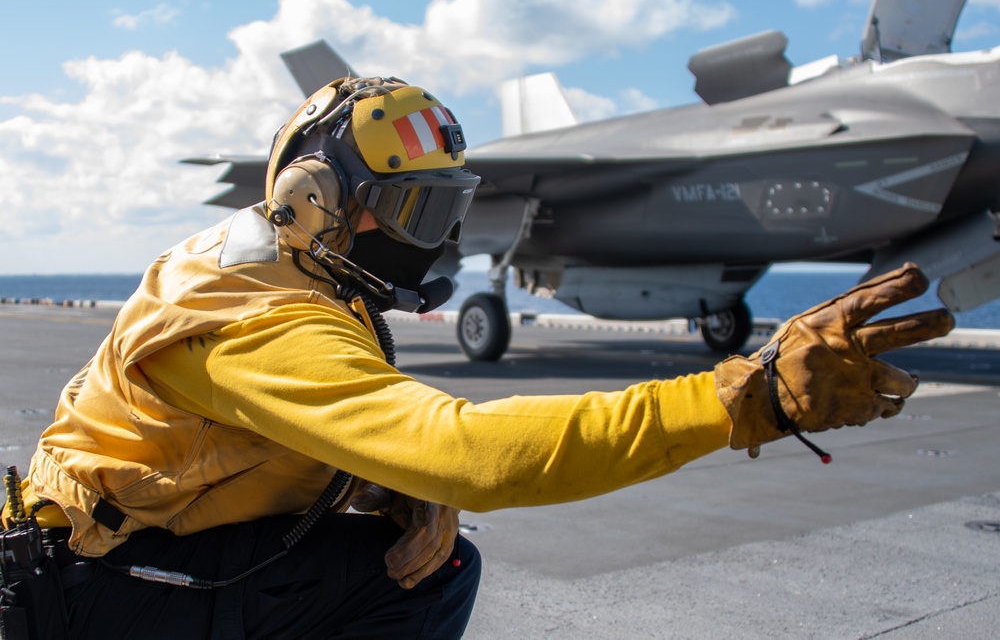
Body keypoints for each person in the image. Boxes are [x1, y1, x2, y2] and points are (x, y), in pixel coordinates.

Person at [1, 76, 954, 639]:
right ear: (316, 201)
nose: (437, 241)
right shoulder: (257, 318)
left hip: (120, 550)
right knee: (424, 577)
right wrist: (738, 399)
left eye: (449, 212)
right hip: (92, 588)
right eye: (418, 213)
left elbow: (277, 440)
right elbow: (474, 450)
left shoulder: (291, 271)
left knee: (422, 548)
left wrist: (394, 484)